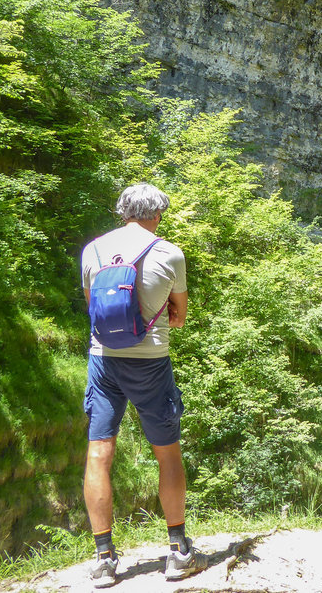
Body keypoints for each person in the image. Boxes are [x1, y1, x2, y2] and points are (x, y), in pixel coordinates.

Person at [80, 183, 206, 588]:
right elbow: (180, 316)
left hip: (103, 360)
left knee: (99, 453)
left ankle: (103, 559)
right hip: (150, 362)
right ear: (158, 213)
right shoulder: (169, 252)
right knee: (167, 453)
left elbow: (93, 307)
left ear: (123, 211)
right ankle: (178, 551)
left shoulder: (94, 250)